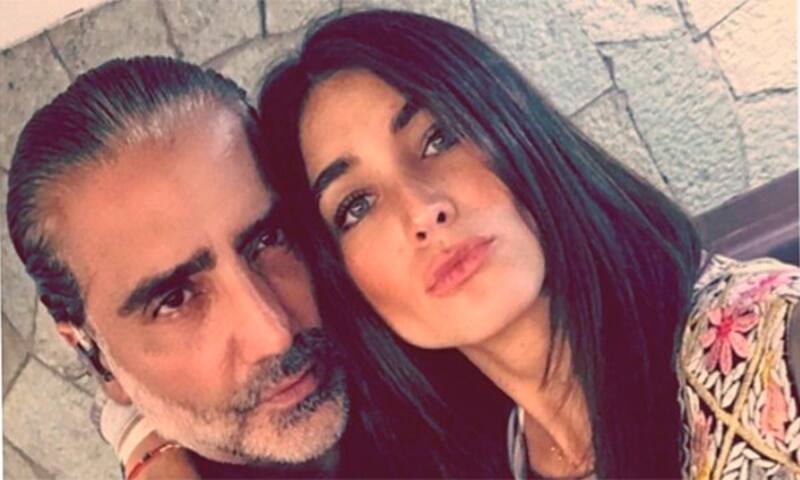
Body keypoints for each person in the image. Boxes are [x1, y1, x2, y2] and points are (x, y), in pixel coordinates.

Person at [253, 9, 800, 479]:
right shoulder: (503, 457)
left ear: (514, 129)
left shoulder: (772, 347)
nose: (420, 210)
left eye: (438, 138)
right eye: (356, 206)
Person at [5, 55, 510, 478]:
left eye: (268, 240)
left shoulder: (453, 343)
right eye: (175, 299)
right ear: (93, 356)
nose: (274, 334)